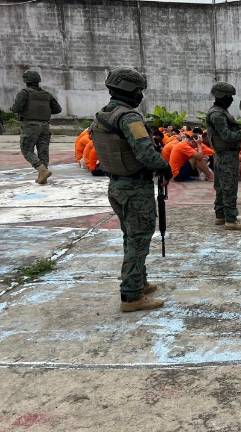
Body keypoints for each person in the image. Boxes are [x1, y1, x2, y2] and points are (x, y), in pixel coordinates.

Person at [90, 67, 170, 312]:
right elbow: (145, 153)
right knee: (139, 238)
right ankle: (132, 296)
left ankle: (139, 282)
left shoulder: (102, 115)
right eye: (138, 90)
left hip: (117, 185)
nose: (140, 95)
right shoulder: (129, 117)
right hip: (135, 188)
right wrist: (164, 166)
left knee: (131, 235)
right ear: (128, 89)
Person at [206, 82, 241, 230]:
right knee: (229, 187)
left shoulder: (220, 111)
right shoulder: (218, 114)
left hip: (224, 154)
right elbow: (226, 135)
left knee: (221, 186)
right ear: (222, 97)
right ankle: (231, 220)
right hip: (226, 155)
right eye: (229, 96)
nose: (231, 99)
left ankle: (220, 215)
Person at [10, 70, 62, 185]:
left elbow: (16, 108)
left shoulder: (24, 93)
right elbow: (58, 109)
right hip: (45, 126)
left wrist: (12, 109)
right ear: (38, 81)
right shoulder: (47, 94)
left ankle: (42, 170)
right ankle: (43, 177)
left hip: (30, 126)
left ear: (26, 81)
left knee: (27, 150)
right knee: (43, 151)